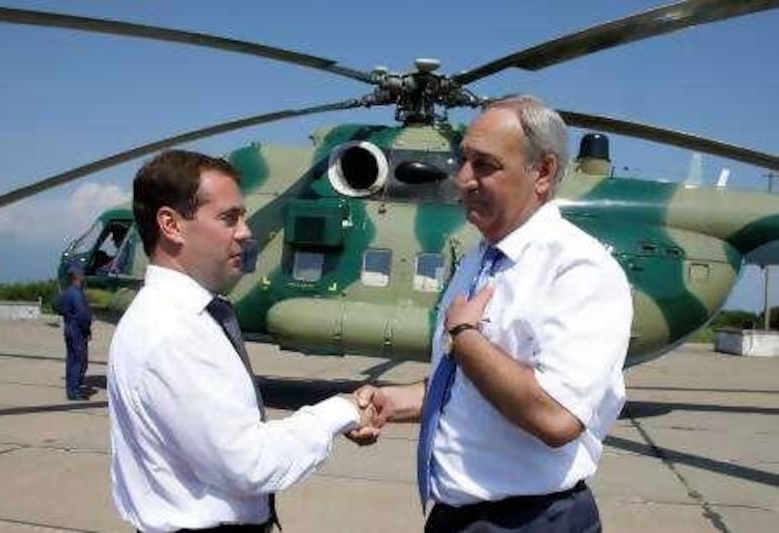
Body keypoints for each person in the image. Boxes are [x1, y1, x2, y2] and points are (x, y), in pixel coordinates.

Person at [349, 95, 633, 532]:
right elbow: (467, 384)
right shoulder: (479, 259)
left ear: (543, 172)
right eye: (463, 160)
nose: (462, 179)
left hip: (531, 520)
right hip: (458, 517)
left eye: (485, 165)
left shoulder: (578, 269)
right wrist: (395, 402)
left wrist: (464, 335)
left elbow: (557, 417)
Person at [107, 150, 372, 532]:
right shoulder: (174, 331)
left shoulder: (186, 318)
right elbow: (250, 463)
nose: (246, 232)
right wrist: (341, 411)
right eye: (228, 218)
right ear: (171, 225)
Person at [58, 262, 93, 401]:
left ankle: (71, 389)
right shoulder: (77, 293)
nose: (84, 276)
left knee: (71, 360)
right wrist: (87, 329)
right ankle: (75, 391)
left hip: (68, 328)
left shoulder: (67, 292)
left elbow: (58, 306)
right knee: (80, 361)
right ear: (78, 276)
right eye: (82, 273)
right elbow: (82, 314)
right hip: (77, 330)